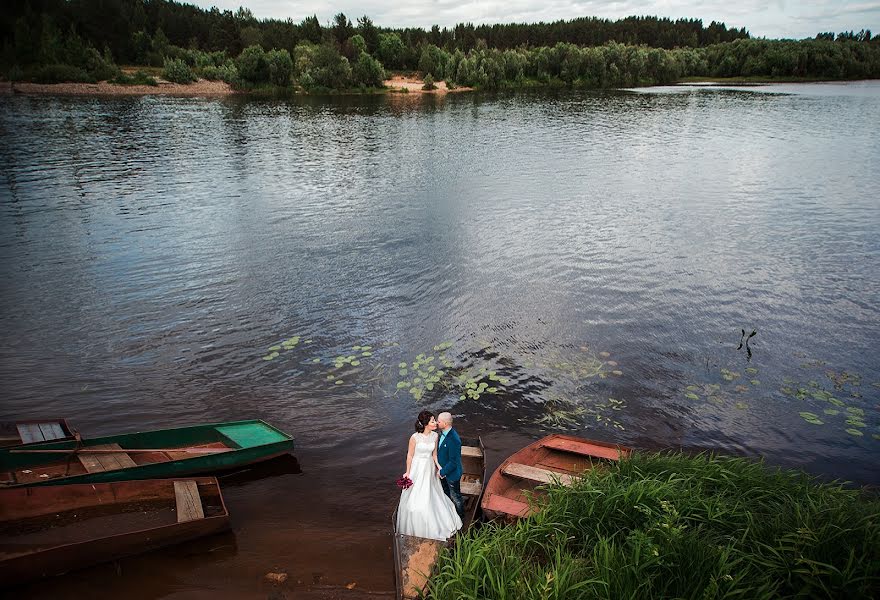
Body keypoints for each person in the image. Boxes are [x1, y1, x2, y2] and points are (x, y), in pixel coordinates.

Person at [395, 410, 462, 541]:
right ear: (426, 424)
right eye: (432, 421)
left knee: (431, 492)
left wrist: (439, 466)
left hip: (429, 468)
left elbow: (434, 454)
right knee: (414, 497)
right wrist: (408, 472)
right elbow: (410, 455)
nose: (435, 422)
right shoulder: (414, 438)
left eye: (436, 420)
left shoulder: (435, 436)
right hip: (417, 467)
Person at [436, 412, 464, 518]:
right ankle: (449, 514)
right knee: (446, 494)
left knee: (456, 497)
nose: (437, 423)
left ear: (445, 423)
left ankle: (461, 517)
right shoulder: (442, 433)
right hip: (443, 472)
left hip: (452, 474)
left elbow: (454, 462)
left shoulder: (454, 440)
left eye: (439, 421)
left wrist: (442, 472)